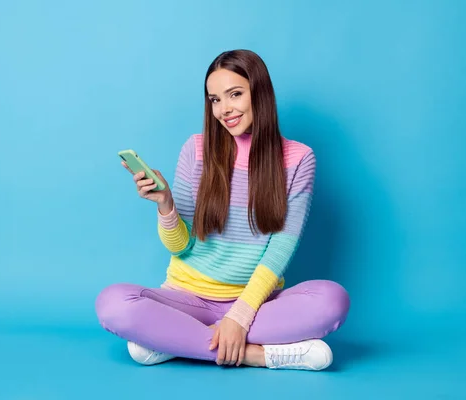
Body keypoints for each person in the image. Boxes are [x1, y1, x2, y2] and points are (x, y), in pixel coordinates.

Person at [95, 49, 350, 370]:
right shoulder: (196, 149)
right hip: (188, 300)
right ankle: (258, 355)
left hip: (256, 305)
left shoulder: (298, 158)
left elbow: (280, 249)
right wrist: (166, 206)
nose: (224, 109)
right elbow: (181, 246)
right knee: (114, 303)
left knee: (332, 299)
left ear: (260, 93)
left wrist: (239, 317)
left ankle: (176, 342)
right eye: (215, 99)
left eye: (235, 95)